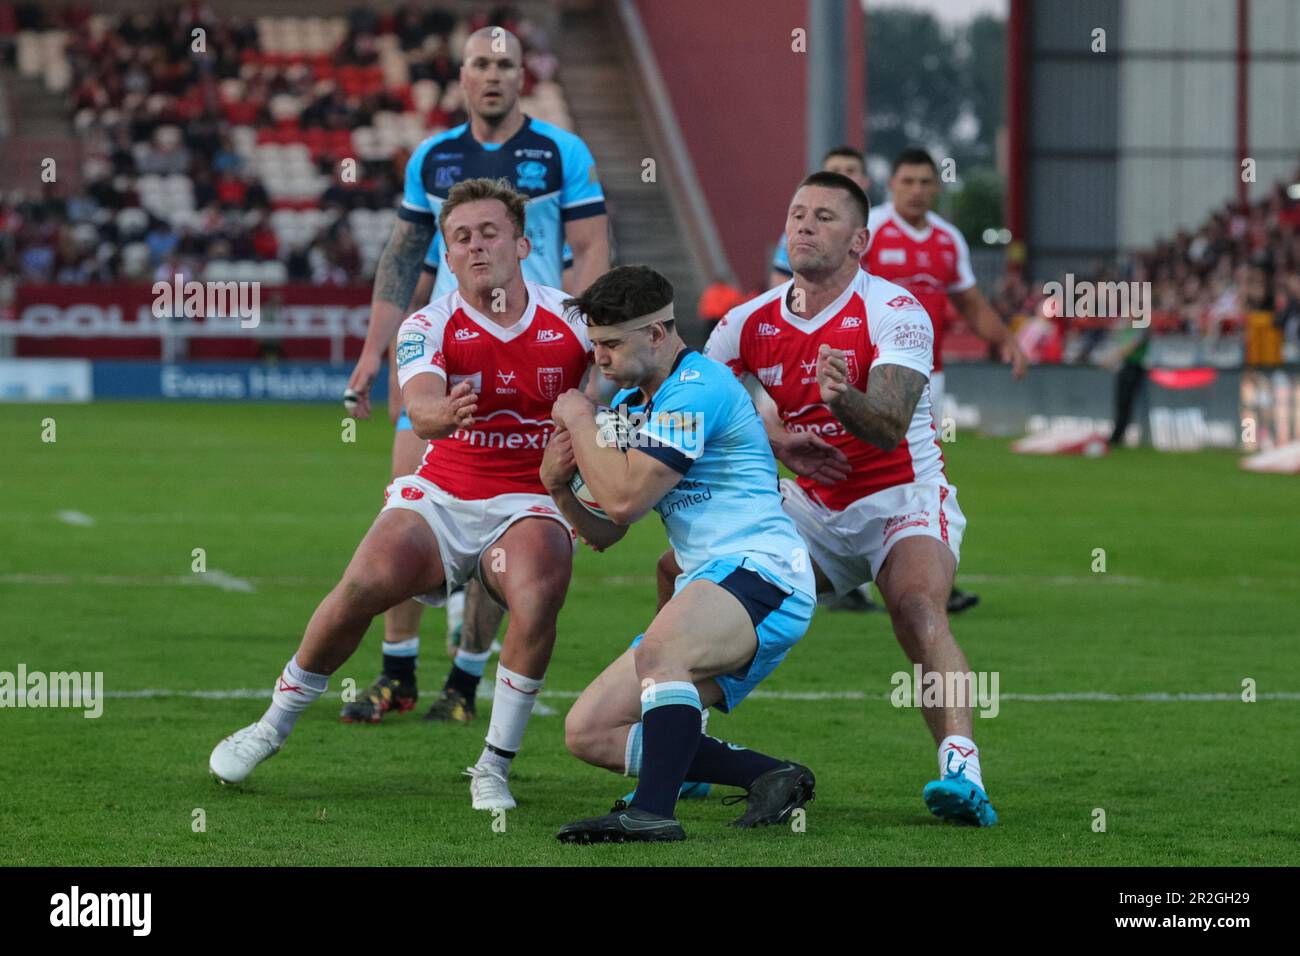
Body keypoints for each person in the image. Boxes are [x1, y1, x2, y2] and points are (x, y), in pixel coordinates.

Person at [210, 179, 595, 812]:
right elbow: (419, 408)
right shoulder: (428, 324)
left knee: (539, 588)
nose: (476, 247)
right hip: (443, 491)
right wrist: (441, 412)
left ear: (523, 243)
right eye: (461, 238)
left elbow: (628, 381)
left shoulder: (575, 319)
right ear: (446, 256)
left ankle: (492, 767)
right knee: (363, 584)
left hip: (530, 496)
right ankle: (270, 727)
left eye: (489, 232)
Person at [702, 171, 998, 826]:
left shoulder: (895, 311)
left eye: (824, 217)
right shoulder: (747, 321)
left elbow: (890, 425)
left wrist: (844, 398)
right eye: (797, 213)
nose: (804, 225)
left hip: (902, 496)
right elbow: (699, 408)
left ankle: (961, 769)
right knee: (693, 581)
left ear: (860, 239)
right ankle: (684, 735)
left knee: (917, 605)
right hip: (813, 508)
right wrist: (776, 440)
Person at [341, 26, 610, 724]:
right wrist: (376, 351)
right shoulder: (431, 158)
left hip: (541, 361)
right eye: (480, 65)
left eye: (506, 65)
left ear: (525, 76)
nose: (493, 76)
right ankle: (397, 676)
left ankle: (463, 682)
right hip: (448, 356)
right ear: (460, 76)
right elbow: (404, 260)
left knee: (510, 523)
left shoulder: (561, 152)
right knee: (406, 506)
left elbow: (591, 252)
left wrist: (593, 355)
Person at [541, 265, 818, 843]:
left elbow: (622, 500)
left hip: (765, 573)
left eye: (612, 344)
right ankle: (768, 775)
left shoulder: (699, 387)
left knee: (660, 654)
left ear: (659, 335)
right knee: (588, 731)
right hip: (715, 582)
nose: (601, 359)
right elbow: (606, 533)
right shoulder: (633, 405)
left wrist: (577, 417)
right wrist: (559, 489)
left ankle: (651, 814)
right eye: (595, 345)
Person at [814, 148, 1028, 615]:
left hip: (927, 377)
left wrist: (1006, 341)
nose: (917, 190)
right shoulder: (869, 233)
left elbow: (969, 303)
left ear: (937, 187)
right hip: (866, 371)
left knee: (920, 474)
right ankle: (845, 569)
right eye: (908, 181)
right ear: (891, 185)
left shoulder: (948, 240)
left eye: (926, 182)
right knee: (855, 463)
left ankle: (928, 573)